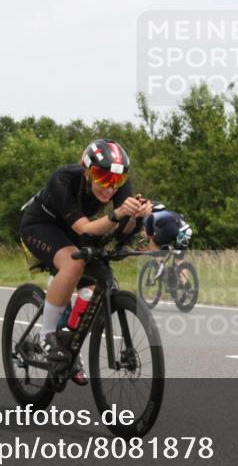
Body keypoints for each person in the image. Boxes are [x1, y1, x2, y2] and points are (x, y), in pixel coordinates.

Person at [20, 140, 152, 385]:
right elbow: (86, 228)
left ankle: (69, 344)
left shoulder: (118, 184)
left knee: (94, 286)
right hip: (41, 225)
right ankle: (46, 335)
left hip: (75, 231)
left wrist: (136, 217)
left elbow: (122, 231)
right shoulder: (62, 179)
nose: (110, 187)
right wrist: (118, 213)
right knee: (73, 264)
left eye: (117, 180)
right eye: (103, 178)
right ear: (87, 171)